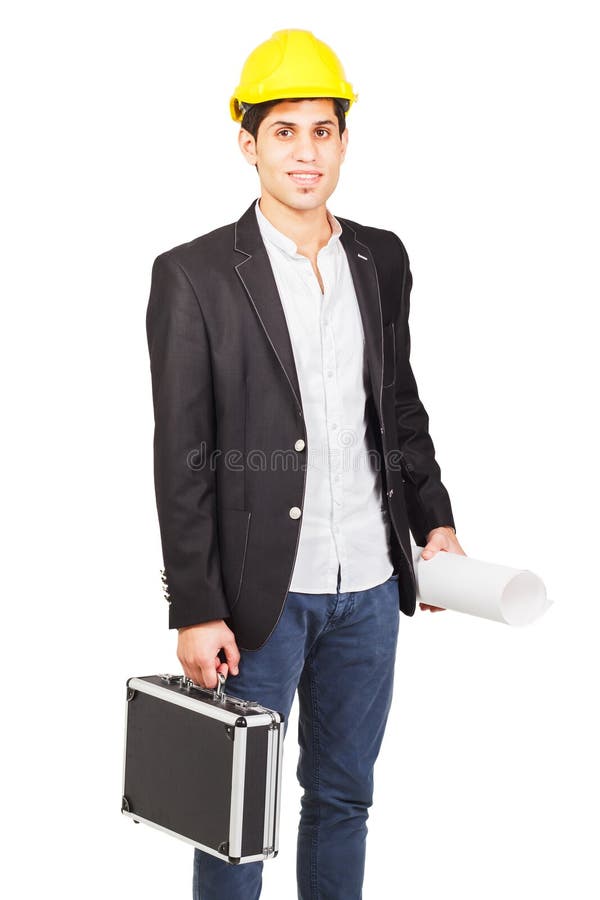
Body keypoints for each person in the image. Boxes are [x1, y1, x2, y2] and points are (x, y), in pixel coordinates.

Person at [146, 27, 465, 900]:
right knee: (232, 814)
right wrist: (196, 606)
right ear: (247, 142)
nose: (306, 151)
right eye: (284, 131)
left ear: (344, 140)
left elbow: (397, 403)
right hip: (258, 600)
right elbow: (183, 459)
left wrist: (431, 521)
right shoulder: (195, 276)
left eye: (323, 130)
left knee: (343, 799)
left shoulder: (380, 257)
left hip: (368, 586)